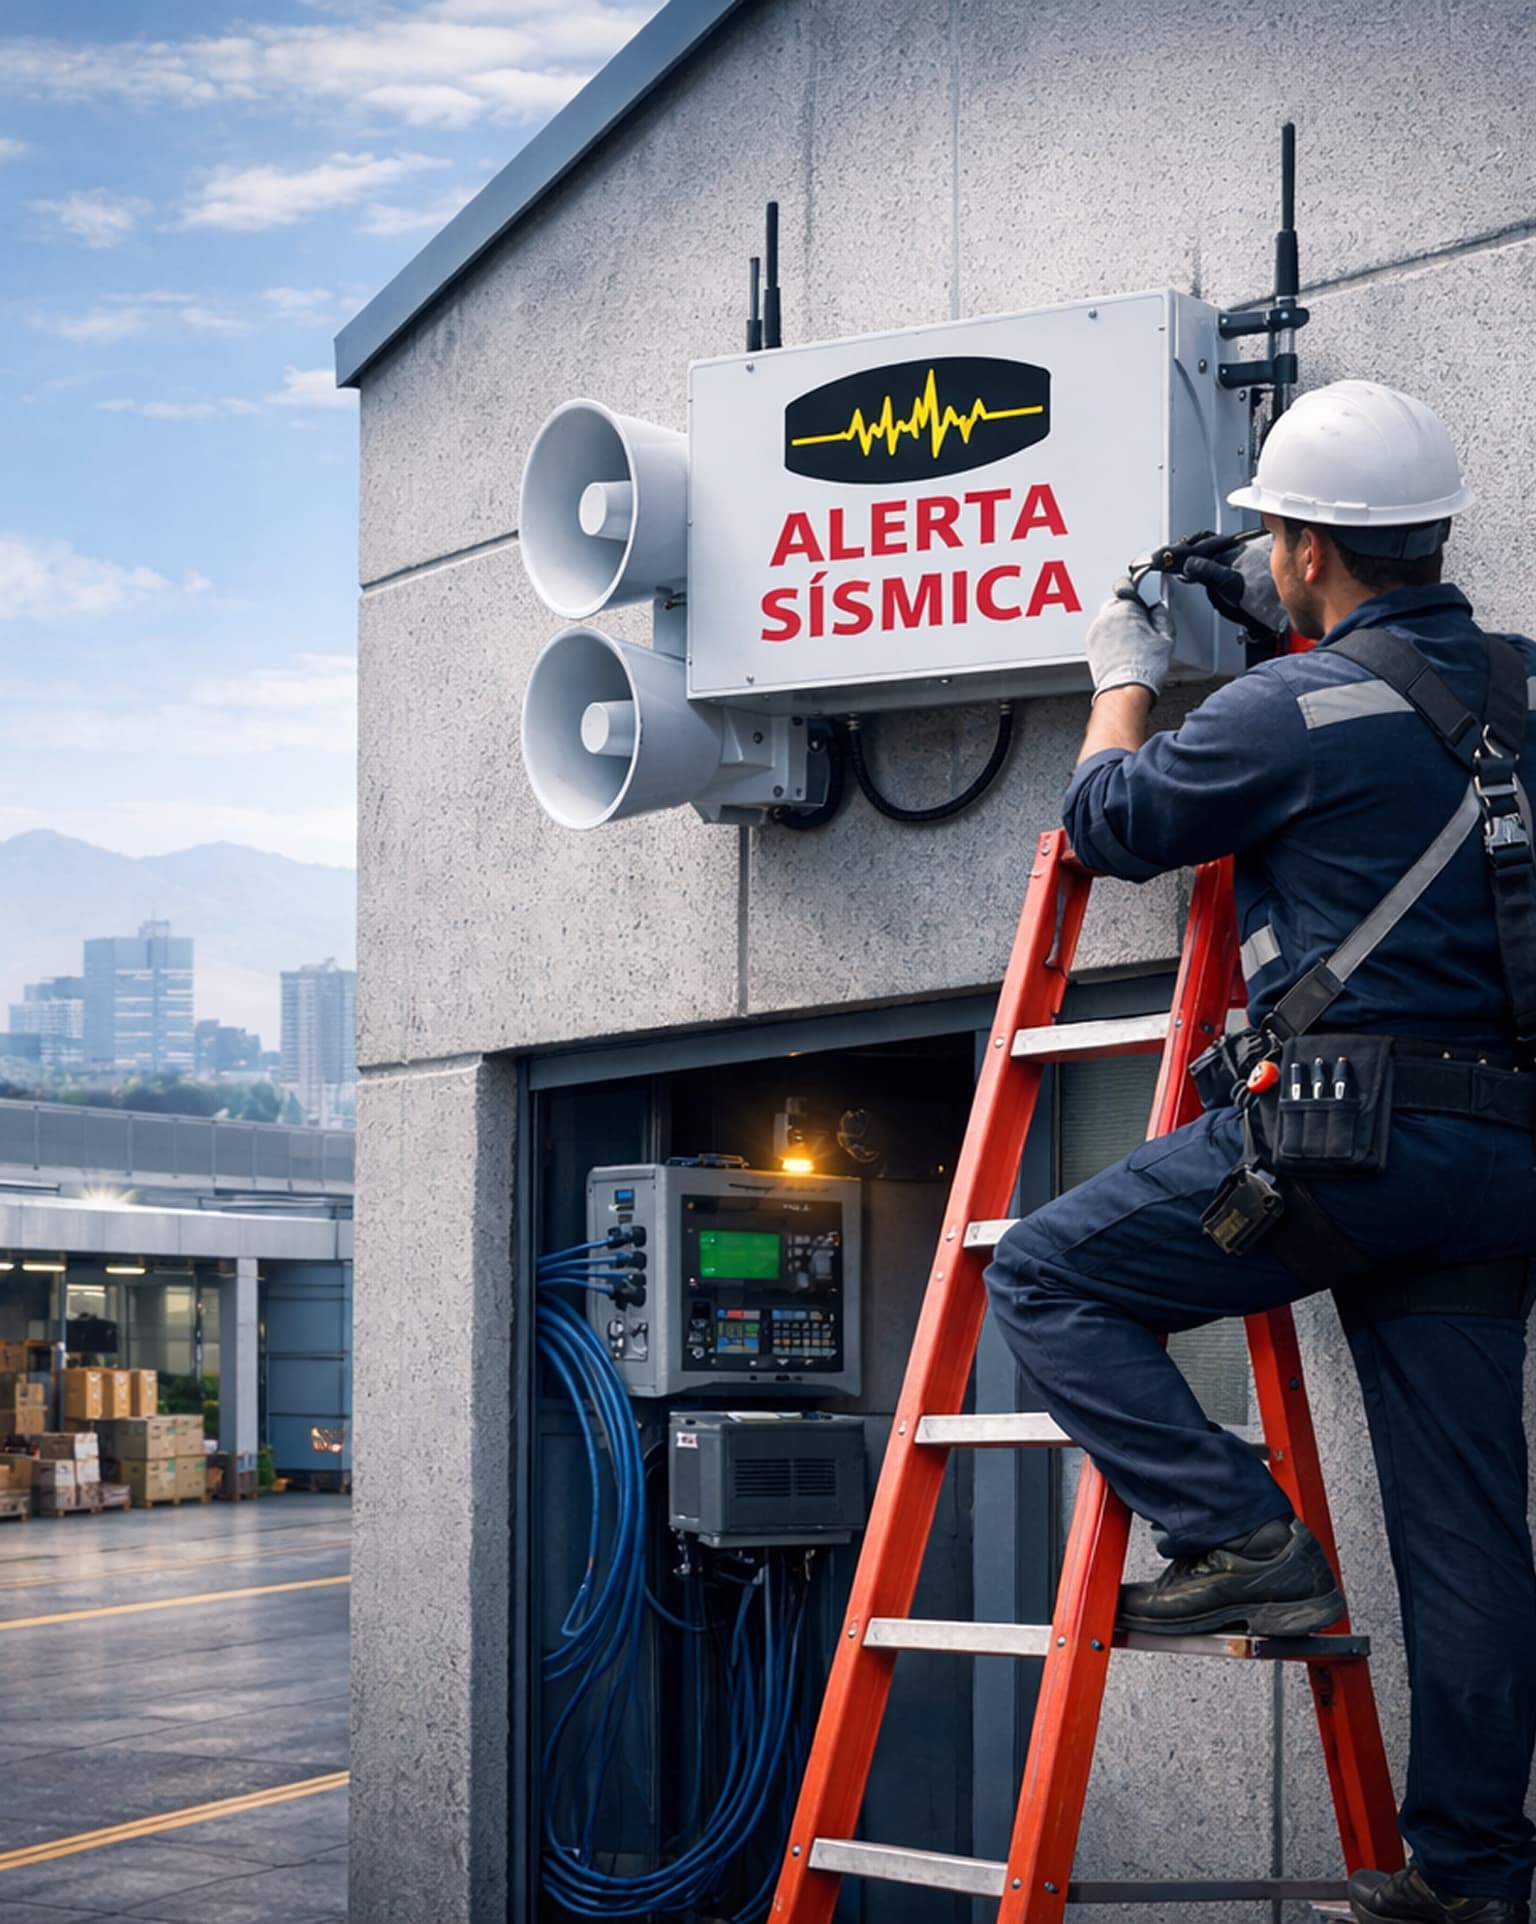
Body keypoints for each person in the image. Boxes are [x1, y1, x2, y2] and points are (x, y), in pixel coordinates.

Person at [982, 380, 1536, 1924]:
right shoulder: (1528, 690)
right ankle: (1479, 1881)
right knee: (1468, 1534)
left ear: (1304, 549)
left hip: (1343, 1145)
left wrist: (1127, 675)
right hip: (1504, 1164)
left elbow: (1112, 818)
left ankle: (1239, 1534)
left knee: (1044, 1278)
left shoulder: (1285, 710)